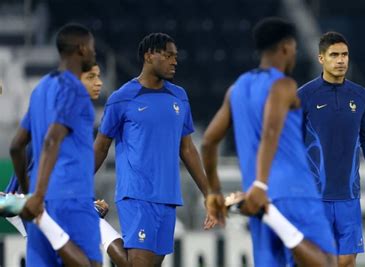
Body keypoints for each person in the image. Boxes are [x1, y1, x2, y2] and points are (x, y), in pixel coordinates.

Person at [201, 17, 336, 267]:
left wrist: (214, 192)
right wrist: (262, 186)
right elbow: (271, 132)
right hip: (291, 191)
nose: (294, 53)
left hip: (254, 196)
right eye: (294, 48)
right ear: (286, 47)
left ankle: (270, 215)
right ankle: (273, 217)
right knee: (327, 263)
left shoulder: (237, 89)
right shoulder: (284, 85)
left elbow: (208, 142)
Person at [93, 32, 221, 266]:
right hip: (136, 194)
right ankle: (96, 226)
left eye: (176, 56)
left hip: (168, 196)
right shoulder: (122, 98)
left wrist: (208, 193)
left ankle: (96, 224)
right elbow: (100, 147)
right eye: (169, 55)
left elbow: (188, 149)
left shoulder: (179, 96)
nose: (175, 61)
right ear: (149, 55)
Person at [297, 31, 365, 267]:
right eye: (334, 55)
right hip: (314, 198)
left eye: (345, 55)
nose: (341, 60)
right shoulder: (305, 96)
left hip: (349, 197)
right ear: (321, 58)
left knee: (347, 261)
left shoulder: (360, 97)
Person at [9, 23, 101, 266]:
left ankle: (43, 220)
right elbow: (52, 138)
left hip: (42, 196)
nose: (94, 53)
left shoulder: (40, 90)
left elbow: (16, 147)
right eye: (91, 48)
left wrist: (30, 192)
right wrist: (36, 197)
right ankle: (44, 222)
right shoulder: (74, 89)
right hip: (70, 195)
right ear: (81, 49)